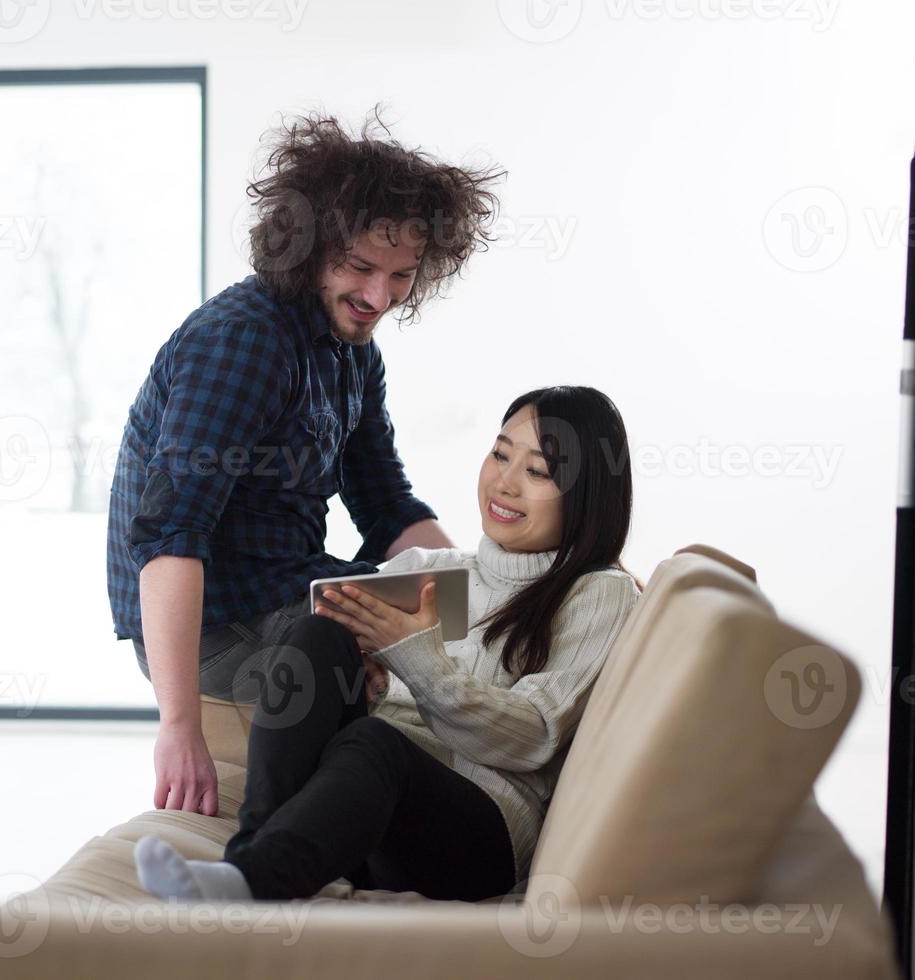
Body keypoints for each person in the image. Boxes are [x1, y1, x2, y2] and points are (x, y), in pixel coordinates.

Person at [107, 109, 504, 818]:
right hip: (220, 623)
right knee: (445, 629)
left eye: (400, 275)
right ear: (306, 248)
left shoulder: (353, 352)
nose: (377, 297)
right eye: (358, 268)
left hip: (290, 588)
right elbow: (170, 535)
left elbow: (386, 507)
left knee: (491, 602)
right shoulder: (242, 343)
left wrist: (479, 588)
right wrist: (177, 729)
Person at [132, 386, 642, 903]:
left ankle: (254, 879)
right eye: (500, 453)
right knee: (318, 634)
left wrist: (412, 653)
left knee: (373, 743)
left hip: (477, 838)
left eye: (536, 471)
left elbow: (531, 738)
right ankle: (251, 860)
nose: (504, 483)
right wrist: (367, 670)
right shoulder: (434, 569)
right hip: (369, 819)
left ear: (585, 494)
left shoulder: (597, 592)